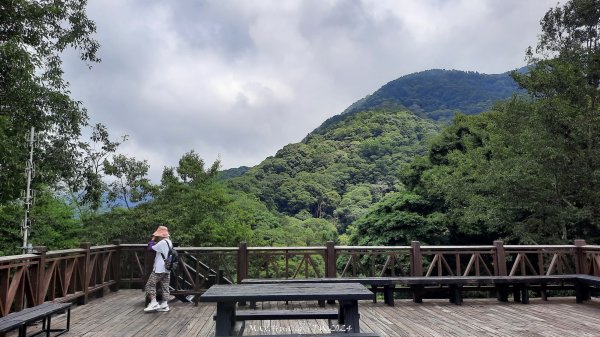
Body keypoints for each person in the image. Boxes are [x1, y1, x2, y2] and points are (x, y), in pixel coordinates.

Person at [144, 225, 173, 312]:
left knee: (149, 285)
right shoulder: (169, 242)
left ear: (161, 235)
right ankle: (164, 304)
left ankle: (153, 303)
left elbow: (150, 248)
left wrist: (153, 239)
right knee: (165, 286)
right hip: (167, 268)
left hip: (159, 268)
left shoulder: (162, 243)